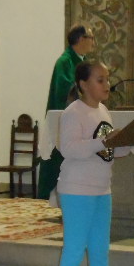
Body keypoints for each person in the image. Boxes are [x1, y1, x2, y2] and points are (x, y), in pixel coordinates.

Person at [54, 60, 134, 266]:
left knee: (100, 252)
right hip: (77, 190)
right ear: (83, 84)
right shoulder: (73, 112)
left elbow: (106, 152)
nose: (107, 85)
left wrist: (130, 142)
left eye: (107, 79)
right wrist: (105, 141)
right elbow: (70, 149)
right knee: (74, 251)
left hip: (102, 189)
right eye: (100, 80)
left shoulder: (103, 111)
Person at [38, 24, 96, 201]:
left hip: (82, 121)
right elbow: (66, 90)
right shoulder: (65, 62)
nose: (93, 42)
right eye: (91, 38)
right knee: (59, 162)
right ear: (80, 39)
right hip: (65, 123)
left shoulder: (83, 62)